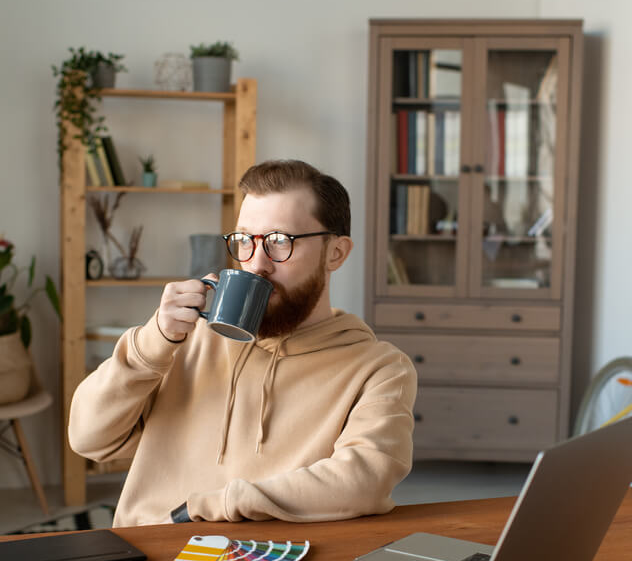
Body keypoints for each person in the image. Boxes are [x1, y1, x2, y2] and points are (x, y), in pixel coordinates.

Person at [68, 159, 417, 527]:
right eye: (245, 241)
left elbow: (364, 481)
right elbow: (88, 439)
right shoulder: (184, 340)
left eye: (280, 242)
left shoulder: (379, 368)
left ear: (336, 253)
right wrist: (153, 342)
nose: (257, 263)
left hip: (272, 560)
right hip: (151, 553)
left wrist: (211, 506)